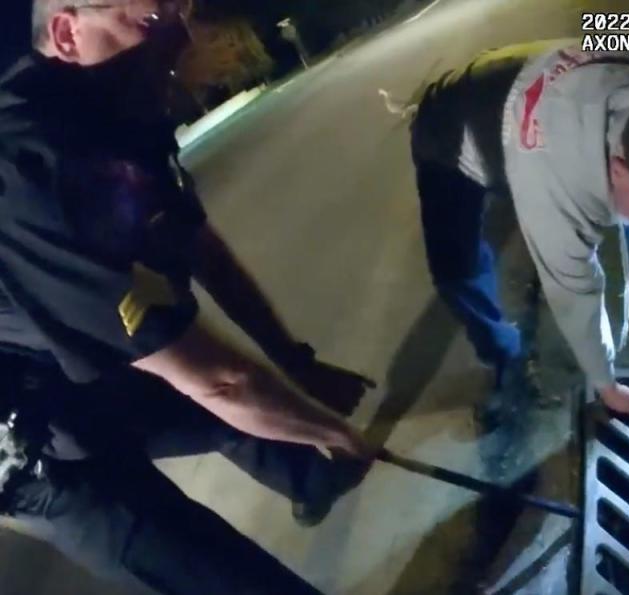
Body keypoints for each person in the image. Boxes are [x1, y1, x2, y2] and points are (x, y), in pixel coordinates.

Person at [0, 0, 375, 592]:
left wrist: (295, 361)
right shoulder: (28, 168)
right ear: (68, 32)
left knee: (237, 407)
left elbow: (199, 246)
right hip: (30, 444)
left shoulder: (116, 114)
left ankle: (311, 480)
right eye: (152, 20)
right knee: (228, 578)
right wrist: (337, 433)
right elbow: (217, 379)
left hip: (82, 362)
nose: (180, 37)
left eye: (181, 13)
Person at [405, 40, 629, 415]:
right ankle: (504, 357)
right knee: (454, 266)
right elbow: (575, 296)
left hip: (538, 70)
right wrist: (607, 384)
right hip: (449, 130)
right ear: (617, 170)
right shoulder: (554, 187)